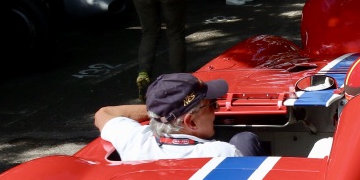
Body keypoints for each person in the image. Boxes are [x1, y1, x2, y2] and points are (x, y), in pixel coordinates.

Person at [95, 73, 262, 160]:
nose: (216, 110)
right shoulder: (223, 153)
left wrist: (162, 110)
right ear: (191, 122)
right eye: (212, 106)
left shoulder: (134, 141)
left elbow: (104, 113)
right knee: (245, 139)